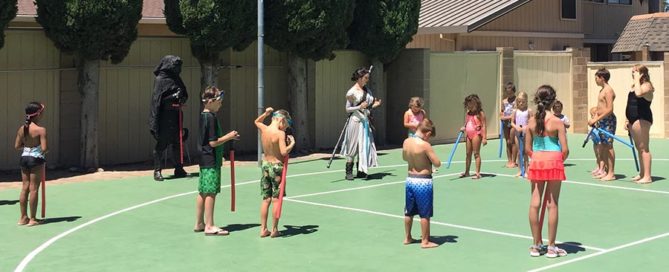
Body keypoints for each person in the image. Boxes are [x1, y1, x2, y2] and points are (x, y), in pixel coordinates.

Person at [525, 85, 568, 258]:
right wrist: (557, 160)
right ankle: (551, 246)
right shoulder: (557, 122)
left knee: (535, 202)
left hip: (537, 161)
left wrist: (537, 158)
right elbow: (565, 149)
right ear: (553, 100)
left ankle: (536, 245)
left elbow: (527, 148)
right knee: (552, 204)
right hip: (554, 160)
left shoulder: (531, 121)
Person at [194, 87, 239, 236]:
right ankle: (209, 225)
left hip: (203, 158)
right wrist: (230, 136)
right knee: (211, 192)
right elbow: (213, 142)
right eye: (219, 101)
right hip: (210, 159)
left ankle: (199, 223)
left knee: (202, 191)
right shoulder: (211, 118)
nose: (221, 104)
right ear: (210, 102)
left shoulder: (203, 116)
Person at [255, 107, 295, 238]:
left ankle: (263, 229)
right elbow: (284, 152)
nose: (285, 129)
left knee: (266, 199)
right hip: (277, 166)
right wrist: (292, 144)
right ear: (282, 120)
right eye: (286, 125)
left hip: (266, 165)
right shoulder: (279, 134)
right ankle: (274, 229)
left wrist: (265, 114)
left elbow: (257, 122)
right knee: (276, 199)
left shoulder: (265, 129)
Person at [402, 118, 441, 249]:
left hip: (410, 179)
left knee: (409, 211)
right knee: (425, 213)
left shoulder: (406, 142)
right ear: (428, 133)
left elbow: (404, 157)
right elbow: (437, 163)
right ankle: (425, 241)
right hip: (423, 182)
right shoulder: (425, 145)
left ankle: (407, 237)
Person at [149, 55, 189, 181]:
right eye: (176, 65)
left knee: (177, 143)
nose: (178, 68)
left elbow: (184, 93)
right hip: (164, 117)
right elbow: (158, 100)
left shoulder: (177, 79)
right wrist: (172, 96)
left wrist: (181, 96)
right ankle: (157, 171)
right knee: (162, 143)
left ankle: (179, 168)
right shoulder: (160, 79)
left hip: (176, 115)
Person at [341, 67, 382, 180]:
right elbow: (347, 109)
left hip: (365, 121)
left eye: (368, 78)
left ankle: (361, 170)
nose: (367, 80)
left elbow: (368, 107)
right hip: (355, 121)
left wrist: (375, 105)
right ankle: (348, 171)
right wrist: (359, 106)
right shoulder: (351, 92)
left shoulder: (368, 91)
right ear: (359, 78)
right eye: (365, 78)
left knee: (364, 146)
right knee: (353, 146)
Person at [15, 102, 47, 227]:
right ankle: (33, 219)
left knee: (25, 187)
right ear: (38, 114)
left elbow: (17, 146)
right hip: (36, 160)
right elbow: (44, 148)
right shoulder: (40, 130)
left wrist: (28, 147)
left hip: (24, 158)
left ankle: (23, 218)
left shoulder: (21, 129)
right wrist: (38, 149)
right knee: (34, 188)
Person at [626, 64, 654, 184]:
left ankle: (647, 176)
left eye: (636, 72)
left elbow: (638, 94)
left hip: (642, 118)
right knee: (639, 148)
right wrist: (627, 119)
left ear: (642, 74)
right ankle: (642, 173)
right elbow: (630, 102)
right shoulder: (634, 85)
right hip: (632, 120)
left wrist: (637, 79)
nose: (633, 74)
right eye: (632, 72)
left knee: (644, 148)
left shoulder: (647, 86)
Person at [588, 68, 617, 181]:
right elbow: (601, 107)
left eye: (596, 78)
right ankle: (604, 170)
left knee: (608, 146)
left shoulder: (608, 90)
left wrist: (596, 119)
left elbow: (609, 109)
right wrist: (595, 115)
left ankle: (611, 173)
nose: (595, 80)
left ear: (602, 78)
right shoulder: (602, 90)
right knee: (603, 146)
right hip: (602, 121)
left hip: (608, 121)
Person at [460, 94, 487, 179]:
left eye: (471, 104)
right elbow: (467, 122)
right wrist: (463, 127)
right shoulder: (468, 113)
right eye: (468, 104)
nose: (469, 106)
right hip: (468, 135)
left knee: (476, 153)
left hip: (476, 134)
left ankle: (477, 173)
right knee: (468, 154)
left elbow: (484, 126)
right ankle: (467, 172)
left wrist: (484, 137)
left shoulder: (480, 113)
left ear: (476, 103)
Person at [511, 92, 532, 177]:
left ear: (526, 101)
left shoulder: (529, 111)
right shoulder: (515, 111)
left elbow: (531, 122)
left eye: (523, 101)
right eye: (519, 101)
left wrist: (525, 127)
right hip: (517, 133)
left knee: (525, 152)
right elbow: (512, 122)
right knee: (519, 152)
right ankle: (520, 169)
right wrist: (516, 127)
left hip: (526, 133)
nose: (521, 103)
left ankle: (526, 170)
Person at [500, 82, 517, 168]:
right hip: (506, 124)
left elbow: (514, 114)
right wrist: (502, 117)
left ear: (514, 91)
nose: (509, 94)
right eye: (507, 93)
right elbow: (502, 112)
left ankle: (514, 161)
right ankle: (509, 160)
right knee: (508, 141)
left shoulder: (516, 101)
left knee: (513, 141)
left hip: (514, 123)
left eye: (511, 93)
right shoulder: (504, 101)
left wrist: (506, 117)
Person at [589, 106, 604, 176]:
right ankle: (598, 167)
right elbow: (589, 123)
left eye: (593, 114)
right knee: (597, 155)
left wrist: (596, 122)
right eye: (591, 115)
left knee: (601, 155)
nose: (592, 116)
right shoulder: (593, 122)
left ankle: (602, 169)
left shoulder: (599, 122)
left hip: (599, 141)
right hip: (595, 141)